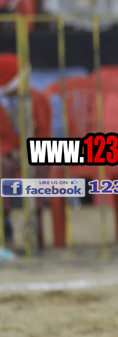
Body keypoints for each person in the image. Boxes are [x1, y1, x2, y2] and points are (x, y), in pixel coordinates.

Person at [0, 53, 50, 246]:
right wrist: (9, 150)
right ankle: (4, 218)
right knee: (3, 166)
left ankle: (35, 217)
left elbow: (44, 133)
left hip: (32, 151)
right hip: (5, 153)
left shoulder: (37, 99)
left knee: (41, 163)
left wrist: (28, 150)